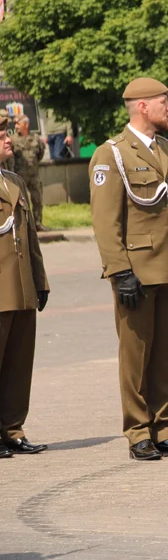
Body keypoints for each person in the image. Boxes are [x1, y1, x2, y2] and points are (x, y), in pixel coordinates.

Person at [89, 78, 168, 461]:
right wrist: (119, 270)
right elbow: (106, 221)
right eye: (164, 102)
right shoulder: (112, 154)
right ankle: (138, 430)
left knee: (162, 355)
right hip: (137, 270)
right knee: (135, 354)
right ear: (141, 106)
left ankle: (162, 426)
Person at [0, 112, 49, 458]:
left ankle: (12, 429)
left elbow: (30, 238)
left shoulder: (13, 181)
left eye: (6, 133)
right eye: (1, 135)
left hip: (20, 286)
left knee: (19, 362)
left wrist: (40, 280)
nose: (8, 140)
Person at [11, 116, 45, 232]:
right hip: (20, 175)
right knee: (22, 201)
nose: (16, 126)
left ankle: (38, 223)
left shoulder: (35, 138)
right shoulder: (13, 140)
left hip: (34, 174)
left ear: (26, 125)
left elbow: (40, 153)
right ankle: (24, 226)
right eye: (15, 124)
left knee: (37, 199)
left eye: (18, 124)